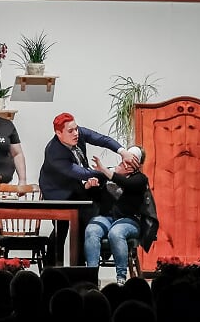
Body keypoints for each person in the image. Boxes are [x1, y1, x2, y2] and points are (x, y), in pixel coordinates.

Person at [38, 112, 139, 266]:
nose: (76, 133)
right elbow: (81, 173)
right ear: (59, 133)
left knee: (86, 216)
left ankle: (82, 264)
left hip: (75, 184)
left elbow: (102, 139)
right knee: (61, 228)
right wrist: (113, 172)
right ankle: (51, 268)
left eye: (76, 128)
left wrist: (122, 151)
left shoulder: (77, 133)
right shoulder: (54, 152)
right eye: (70, 131)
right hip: (57, 191)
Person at [84, 145, 149, 285]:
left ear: (137, 164)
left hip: (129, 220)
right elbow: (96, 196)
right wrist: (89, 186)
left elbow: (126, 183)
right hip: (106, 218)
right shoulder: (110, 174)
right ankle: (91, 276)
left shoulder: (140, 179)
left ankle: (121, 278)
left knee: (116, 232)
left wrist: (106, 171)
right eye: (125, 159)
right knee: (92, 230)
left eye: (131, 161)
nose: (126, 163)